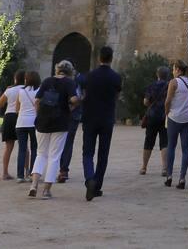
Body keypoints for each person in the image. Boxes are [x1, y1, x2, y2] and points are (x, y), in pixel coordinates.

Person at [77, 45, 122, 200]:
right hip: (107, 118)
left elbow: (83, 94)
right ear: (111, 58)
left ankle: (89, 178)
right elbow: (116, 96)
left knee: (88, 152)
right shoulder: (116, 77)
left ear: (99, 58)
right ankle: (97, 186)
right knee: (103, 154)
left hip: (89, 118)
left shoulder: (88, 76)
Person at [29, 61, 76, 199]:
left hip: (43, 121)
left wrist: (39, 114)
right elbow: (74, 99)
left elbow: (37, 100)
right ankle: (46, 190)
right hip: (60, 122)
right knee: (54, 156)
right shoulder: (69, 83)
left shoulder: (47, 81)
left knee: (41, 154)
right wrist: (72, 107)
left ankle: (34, 185)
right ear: (69, 71)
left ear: (57, 70)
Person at [164, 60, 188, 189]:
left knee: (171, 146)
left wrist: (167, 112)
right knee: (186, 148)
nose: (172, 71)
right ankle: (182, 178)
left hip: (174, 117)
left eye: (173, 69)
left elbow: (167, 101)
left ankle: (169, 176)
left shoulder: (174, 82)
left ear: (177, 69)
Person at [58, 62, 87, 183]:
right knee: (68, 142)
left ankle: (60, 169)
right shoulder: (79, 80)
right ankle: (63, 170)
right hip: (74, 115)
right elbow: (82, 96)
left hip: (62, 114)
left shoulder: (58, 81)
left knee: (59, 142)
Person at [0, 70, 26, 180]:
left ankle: (5, 172)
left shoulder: (10, 90)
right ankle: (26, 171)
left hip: (9, 117)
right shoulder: (27, 90)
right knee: (24, 146)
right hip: (21, 116)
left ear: (15, 79)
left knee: (8, 147)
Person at [14, 70, 41, 182]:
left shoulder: (21, 91)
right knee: (35, 148)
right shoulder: (39, 91)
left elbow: (17, 109)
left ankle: (20, 175)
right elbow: (39, 108)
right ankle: (31, 174)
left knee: (22, 149)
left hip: (21, 122)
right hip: (34, 122)